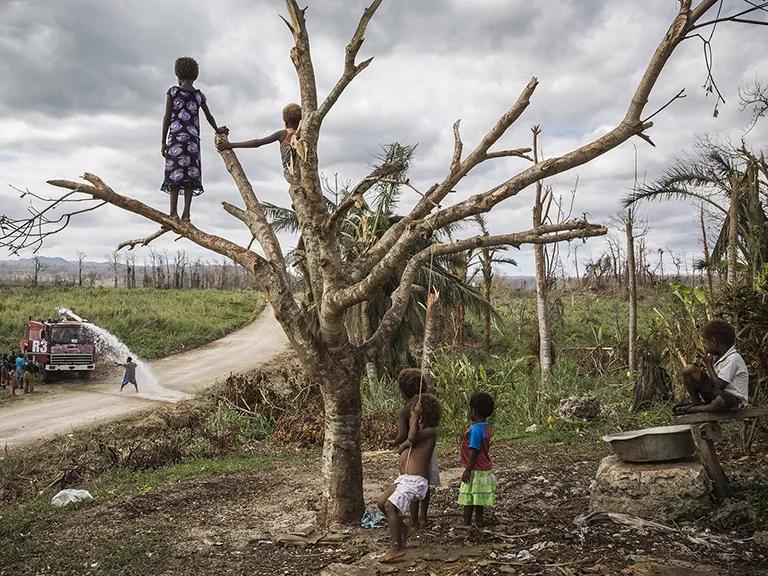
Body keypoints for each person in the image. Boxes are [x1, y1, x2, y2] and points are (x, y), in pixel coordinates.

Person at [161, 56, 228, 222]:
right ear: (195, 75)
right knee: (190, 176)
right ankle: (186, 214)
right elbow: (209, 116)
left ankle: (173, 213)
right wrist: (217, 129)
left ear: (178, 74)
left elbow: (166, 117)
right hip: (192, 141)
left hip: (175, 139)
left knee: (175, 176)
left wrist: (163, 141)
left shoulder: (173, 92)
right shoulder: (198, 95)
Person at [377, 394, 442, 563]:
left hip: (415, 481)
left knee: (391, 506)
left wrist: (414, 417)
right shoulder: (418, 434)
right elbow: (406, 443)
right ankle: (403, 528)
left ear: (422, 416)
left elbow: (412, 438)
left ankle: (397, 546)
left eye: (413, 413)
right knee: (381, 503)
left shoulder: (429, 432)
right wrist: (403, 444)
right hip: (403, 478)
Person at [389, 369, 440, 529]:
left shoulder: (406, 410)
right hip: (428, 452)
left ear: (403, 392)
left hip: (413, 455)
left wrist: (397, 443)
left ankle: (413, 520)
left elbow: (404, 436)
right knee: (424, 484)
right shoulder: (427, 402)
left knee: (411, 484)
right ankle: (423, 517)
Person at [676, 320, 749, 415]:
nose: (705, 347)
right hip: (716, 393)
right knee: (689, 370)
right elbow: (713, 383)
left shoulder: (733, 358)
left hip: (731, 398)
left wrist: (709, 365)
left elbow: (719, 385)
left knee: (719, 401)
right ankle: (696, 404)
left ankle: (697, 409)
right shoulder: (716, 356)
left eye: (705, 343)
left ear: (714, 341)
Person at [216, 103, 302, 181]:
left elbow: (257, 143)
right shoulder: (304, 134)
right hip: (304, 172)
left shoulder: (283, 134)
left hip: (291, 174)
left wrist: (231, 145)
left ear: (285, 122)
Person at [459, 392, 497, 527]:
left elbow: (474, 451)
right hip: (484, 468)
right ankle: (479, 520)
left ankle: (467, 522)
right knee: (478, 497)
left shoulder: (475, 430)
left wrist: (467, 470)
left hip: (474, 469)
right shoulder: (485, 426)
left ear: (474, 411)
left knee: (469, 498)